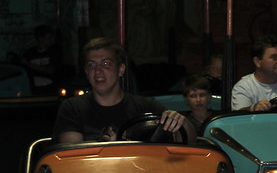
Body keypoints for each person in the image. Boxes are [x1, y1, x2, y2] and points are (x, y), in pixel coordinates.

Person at [53, 37, 185, 143]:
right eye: (91, 65)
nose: (98, 71)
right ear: (87, 72)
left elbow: (186, 138)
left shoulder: (147, 106)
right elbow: (72, 154)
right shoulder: (72, 108)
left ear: (120, 70)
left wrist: (179, 121)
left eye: (106, 64)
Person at [22, 24, 65, 94]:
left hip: (49, 87)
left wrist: (28, 64)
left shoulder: (54, 52)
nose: (52, 40)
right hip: (32, 87)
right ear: (40, 39)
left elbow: (51, 70)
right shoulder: (29, 53)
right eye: (49, 38)